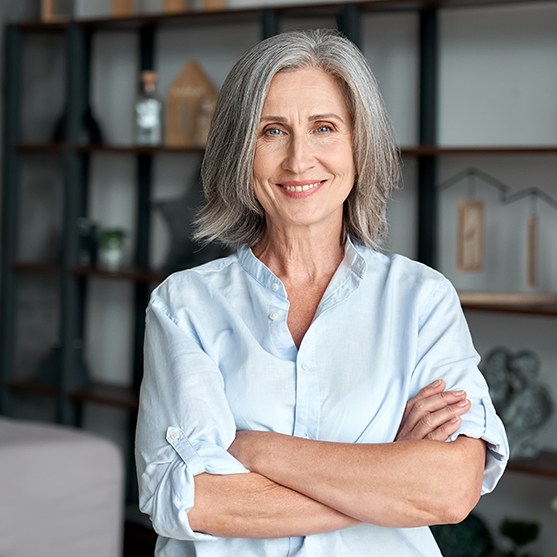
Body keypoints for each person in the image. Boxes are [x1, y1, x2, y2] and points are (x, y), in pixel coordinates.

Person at [135, 29, 509, 556]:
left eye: (324, 128)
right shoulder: (184, 306)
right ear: (240, 152)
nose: (298, 160)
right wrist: (389, 475)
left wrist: (257, 449)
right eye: (272, 131)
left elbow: (449, 490)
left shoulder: (422, 300)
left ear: (359, 145)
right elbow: (193, 502)